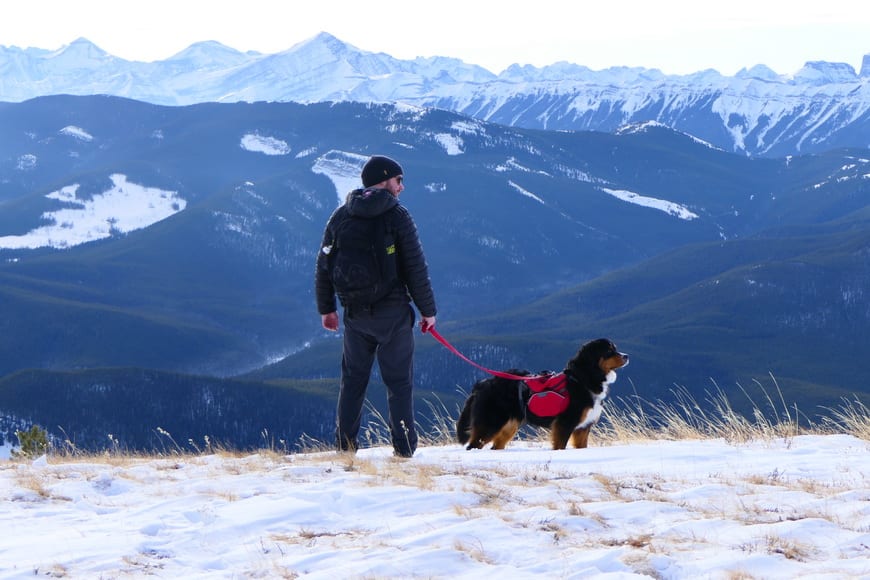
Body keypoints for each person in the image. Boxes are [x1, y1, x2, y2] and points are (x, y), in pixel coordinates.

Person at [315, 155, 437, 457]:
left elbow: (323, 265)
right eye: (398, 180)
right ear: (384, 181)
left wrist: (327, 308)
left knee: (353, 382)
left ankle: (345, 448)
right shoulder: (397, 216)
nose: (402, 187)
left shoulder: (341, 215)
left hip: (355, 315)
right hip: (393, 313)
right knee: (399, 384)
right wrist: (428, 311)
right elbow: (415, 267)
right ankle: (404, 451)